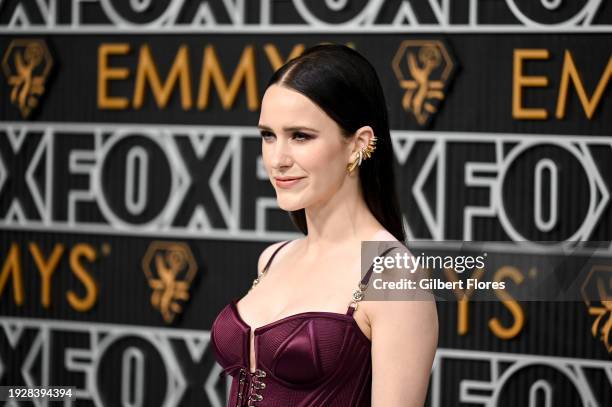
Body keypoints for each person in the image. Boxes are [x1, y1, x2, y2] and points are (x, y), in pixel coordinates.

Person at [210, 43, 438, 406]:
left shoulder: (393, 276)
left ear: (358, 145)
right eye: (268, 135)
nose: (277, 160)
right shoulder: (273, 258)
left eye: (300, 136)